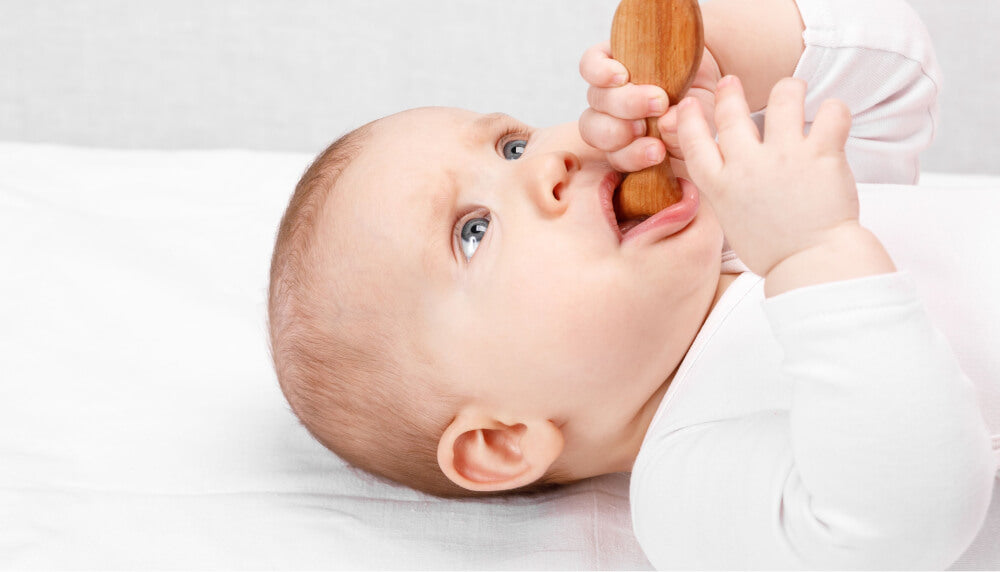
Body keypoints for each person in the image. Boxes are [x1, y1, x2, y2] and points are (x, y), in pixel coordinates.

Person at [267, 0, 998, 567]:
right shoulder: (683, 485)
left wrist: (720, 51)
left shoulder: (753, 208)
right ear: (501, 440)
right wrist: (815, 252)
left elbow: (899, 78)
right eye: (472, 230)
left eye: (511, 143)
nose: (546, 162)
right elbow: (896, 527)